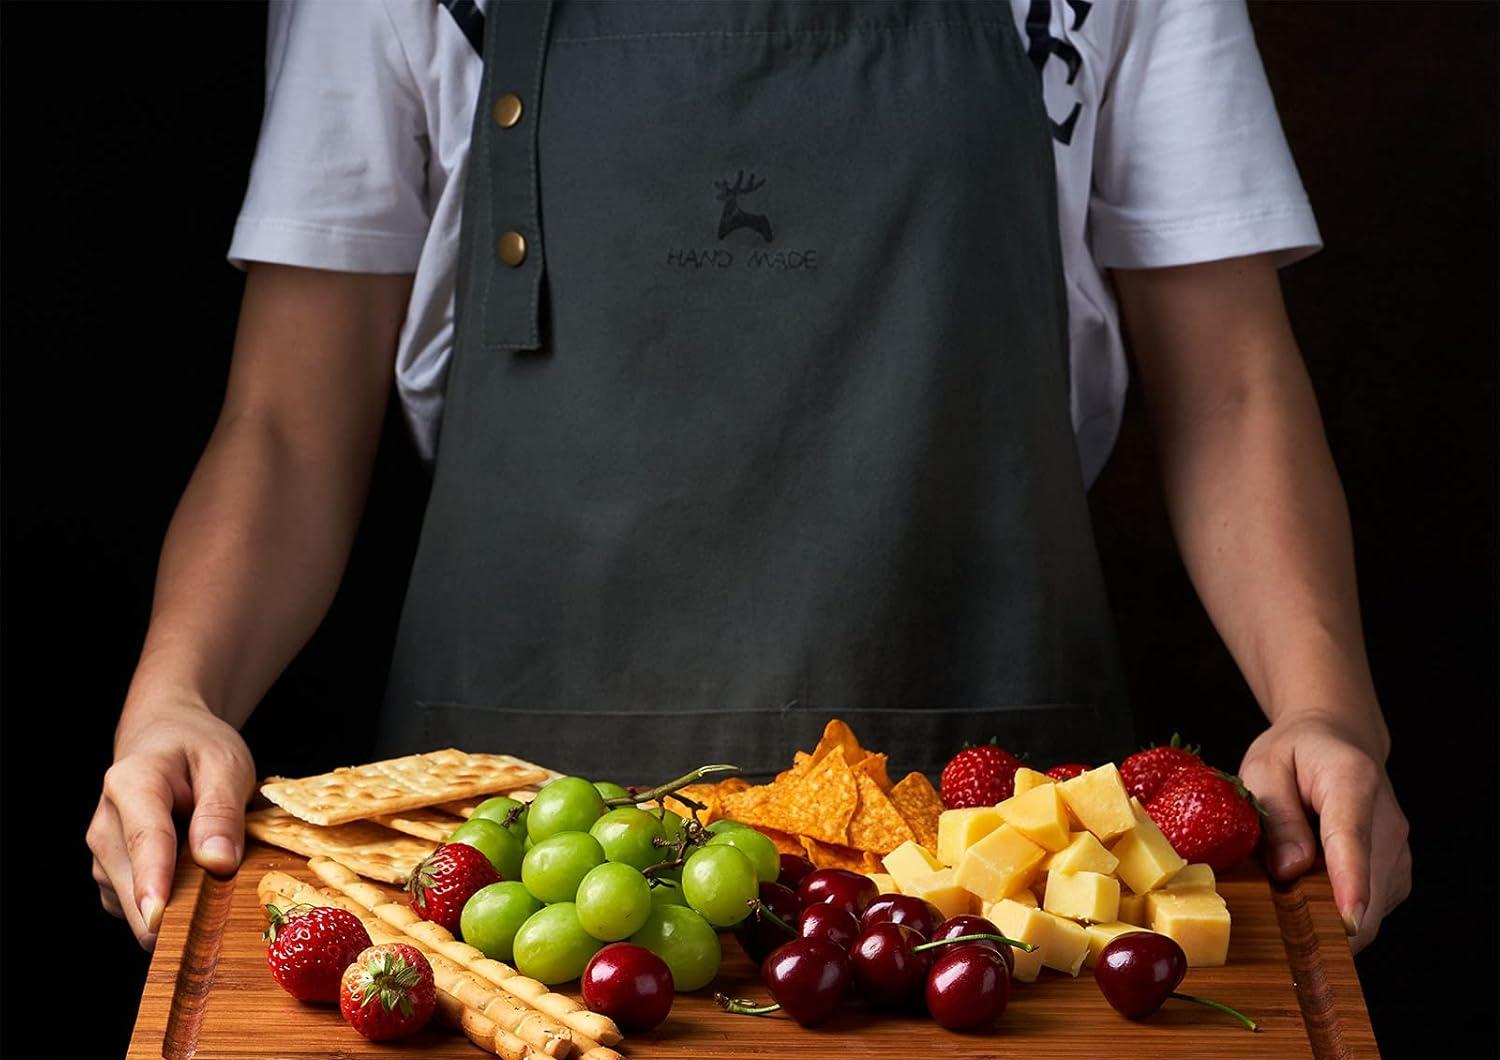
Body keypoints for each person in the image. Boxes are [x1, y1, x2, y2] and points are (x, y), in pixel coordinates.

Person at [88, 0, 1410, 955]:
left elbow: (1233, 390)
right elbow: (284, 426)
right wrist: (174, 700)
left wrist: (1324, 710)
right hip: (519, 887)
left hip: (991, 889)